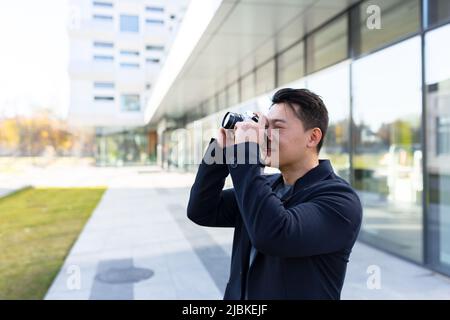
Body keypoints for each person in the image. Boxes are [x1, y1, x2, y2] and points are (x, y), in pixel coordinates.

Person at [187, 88, 362, 300]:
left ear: (313, 137)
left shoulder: (340, 200)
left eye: (277, 127)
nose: (265, 136)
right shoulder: (266, 186)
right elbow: (202, 210)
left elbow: (273, 234)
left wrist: (245, 154)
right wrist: (220, 150)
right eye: (265, 127)